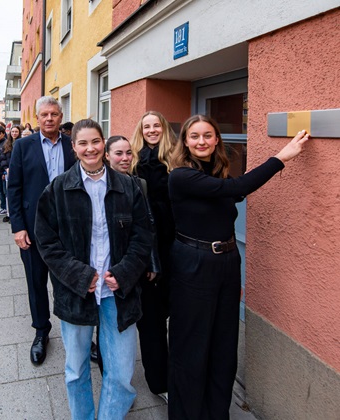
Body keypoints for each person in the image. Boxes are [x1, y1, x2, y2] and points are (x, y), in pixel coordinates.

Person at [167, 115, 310, 419]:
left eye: (208, 135)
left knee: (223, 346)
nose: (202, 141)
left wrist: (230, 273)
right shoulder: (180, 176)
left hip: (226, 263)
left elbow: (236, 191)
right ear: (185, 142)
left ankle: (217, 414)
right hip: (193, 266)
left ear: (217, 139)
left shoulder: (217, 173)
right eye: (194, 136)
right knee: (191, 347)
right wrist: (281, 157)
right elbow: (240, 187)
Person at [35, 119, 153, 418]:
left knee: (120, 374)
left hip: (118, 293)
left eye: (96, 141)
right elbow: (47, 242)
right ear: (73, 147)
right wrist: (80, 276)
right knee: (76, 371)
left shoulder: (128, 186)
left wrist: (124, 273)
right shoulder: (58, 189)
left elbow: (143, 236)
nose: (91, 148)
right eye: (83, 143)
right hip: (77, 293)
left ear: (104, 144)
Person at [7, 96, 76, 365]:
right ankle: (41, 331)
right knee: (36, 282)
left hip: (69, 228)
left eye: (54, 114)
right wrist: (18, 227)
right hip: (33, 228)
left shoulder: (73, 145)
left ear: (61, 117)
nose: (49, 119)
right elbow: (14, 189)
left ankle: (77, 331)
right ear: (37, 118)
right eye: (44, 114)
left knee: (72, 281)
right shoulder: (23, 146)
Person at [128, 110, 177, 403]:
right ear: (141, 130)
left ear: (164, 128)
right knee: (152, 321)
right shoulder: (133, 163)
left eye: (156, 125)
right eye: (146, 126)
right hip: (149, 250)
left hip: (178, 246)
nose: (152, 130)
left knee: (178, 314)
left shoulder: (177, 160)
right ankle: (159, 381)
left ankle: (180, 372)